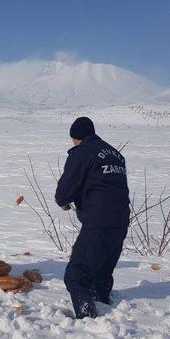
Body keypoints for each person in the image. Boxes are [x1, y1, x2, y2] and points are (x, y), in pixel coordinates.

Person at [55, 117, 130, 319]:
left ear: (76, 137)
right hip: (121, 221)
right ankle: (103, 308)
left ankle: (88, 321)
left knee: (76, 276)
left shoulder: (81, 153)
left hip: (99, 221)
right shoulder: (116, 155)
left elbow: (65, 190)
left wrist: (63, 200)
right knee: (100, 273)